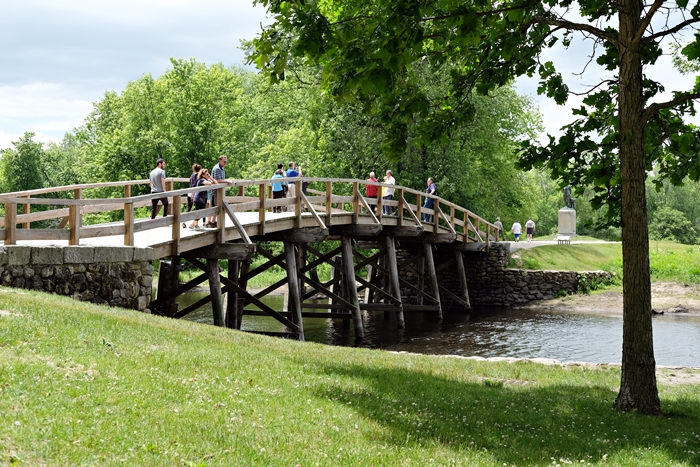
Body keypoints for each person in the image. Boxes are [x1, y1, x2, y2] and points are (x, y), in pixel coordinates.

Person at [206, 155, 232, 228]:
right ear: (220, 160)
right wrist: (227, 181)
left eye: (226, 162)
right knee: (213, 206)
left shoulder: (222, 168)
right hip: (214, 190)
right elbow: (217, 180)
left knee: (217, 206)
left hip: (219, 190)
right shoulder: (217, 168)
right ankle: (208, 221)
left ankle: (213, 221)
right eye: (224, 161)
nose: (225, 163)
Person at [183, 163, 201, 228]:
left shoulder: (192, 176)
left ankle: (183, 221)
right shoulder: (198, 176)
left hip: (190, 192)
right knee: (198, 208)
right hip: (195, 194)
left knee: (189, 207)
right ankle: (195, 223)